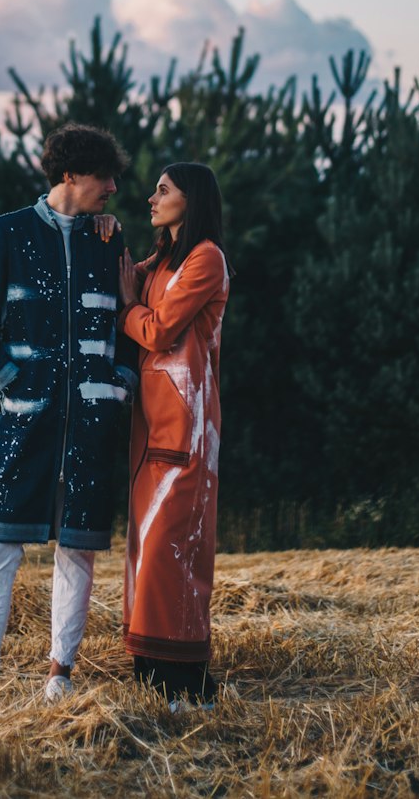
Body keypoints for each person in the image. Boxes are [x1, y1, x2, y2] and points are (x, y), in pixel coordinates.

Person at [0, 122, 137, 702]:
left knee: (78, 547)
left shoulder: (109, 240)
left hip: (90, 422)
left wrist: (119, 383)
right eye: (103, 177)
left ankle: (61, 672)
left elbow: (128, 321)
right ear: (69, 174)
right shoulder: (5, 233)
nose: (112, 187)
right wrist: (11, 385)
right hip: (26, 417)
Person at [118, 162, 232, 709]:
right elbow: (122, 275)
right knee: (147, 548)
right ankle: (153, 672)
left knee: (173, 548)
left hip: (187, 427)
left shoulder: (205, 258)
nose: (151, 198)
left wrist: (127, 312)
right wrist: (105, 232)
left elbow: (159, 329)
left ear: (193, 199)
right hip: (151, 427)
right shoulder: (161, 260)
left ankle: (186, 681)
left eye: (163, 190)